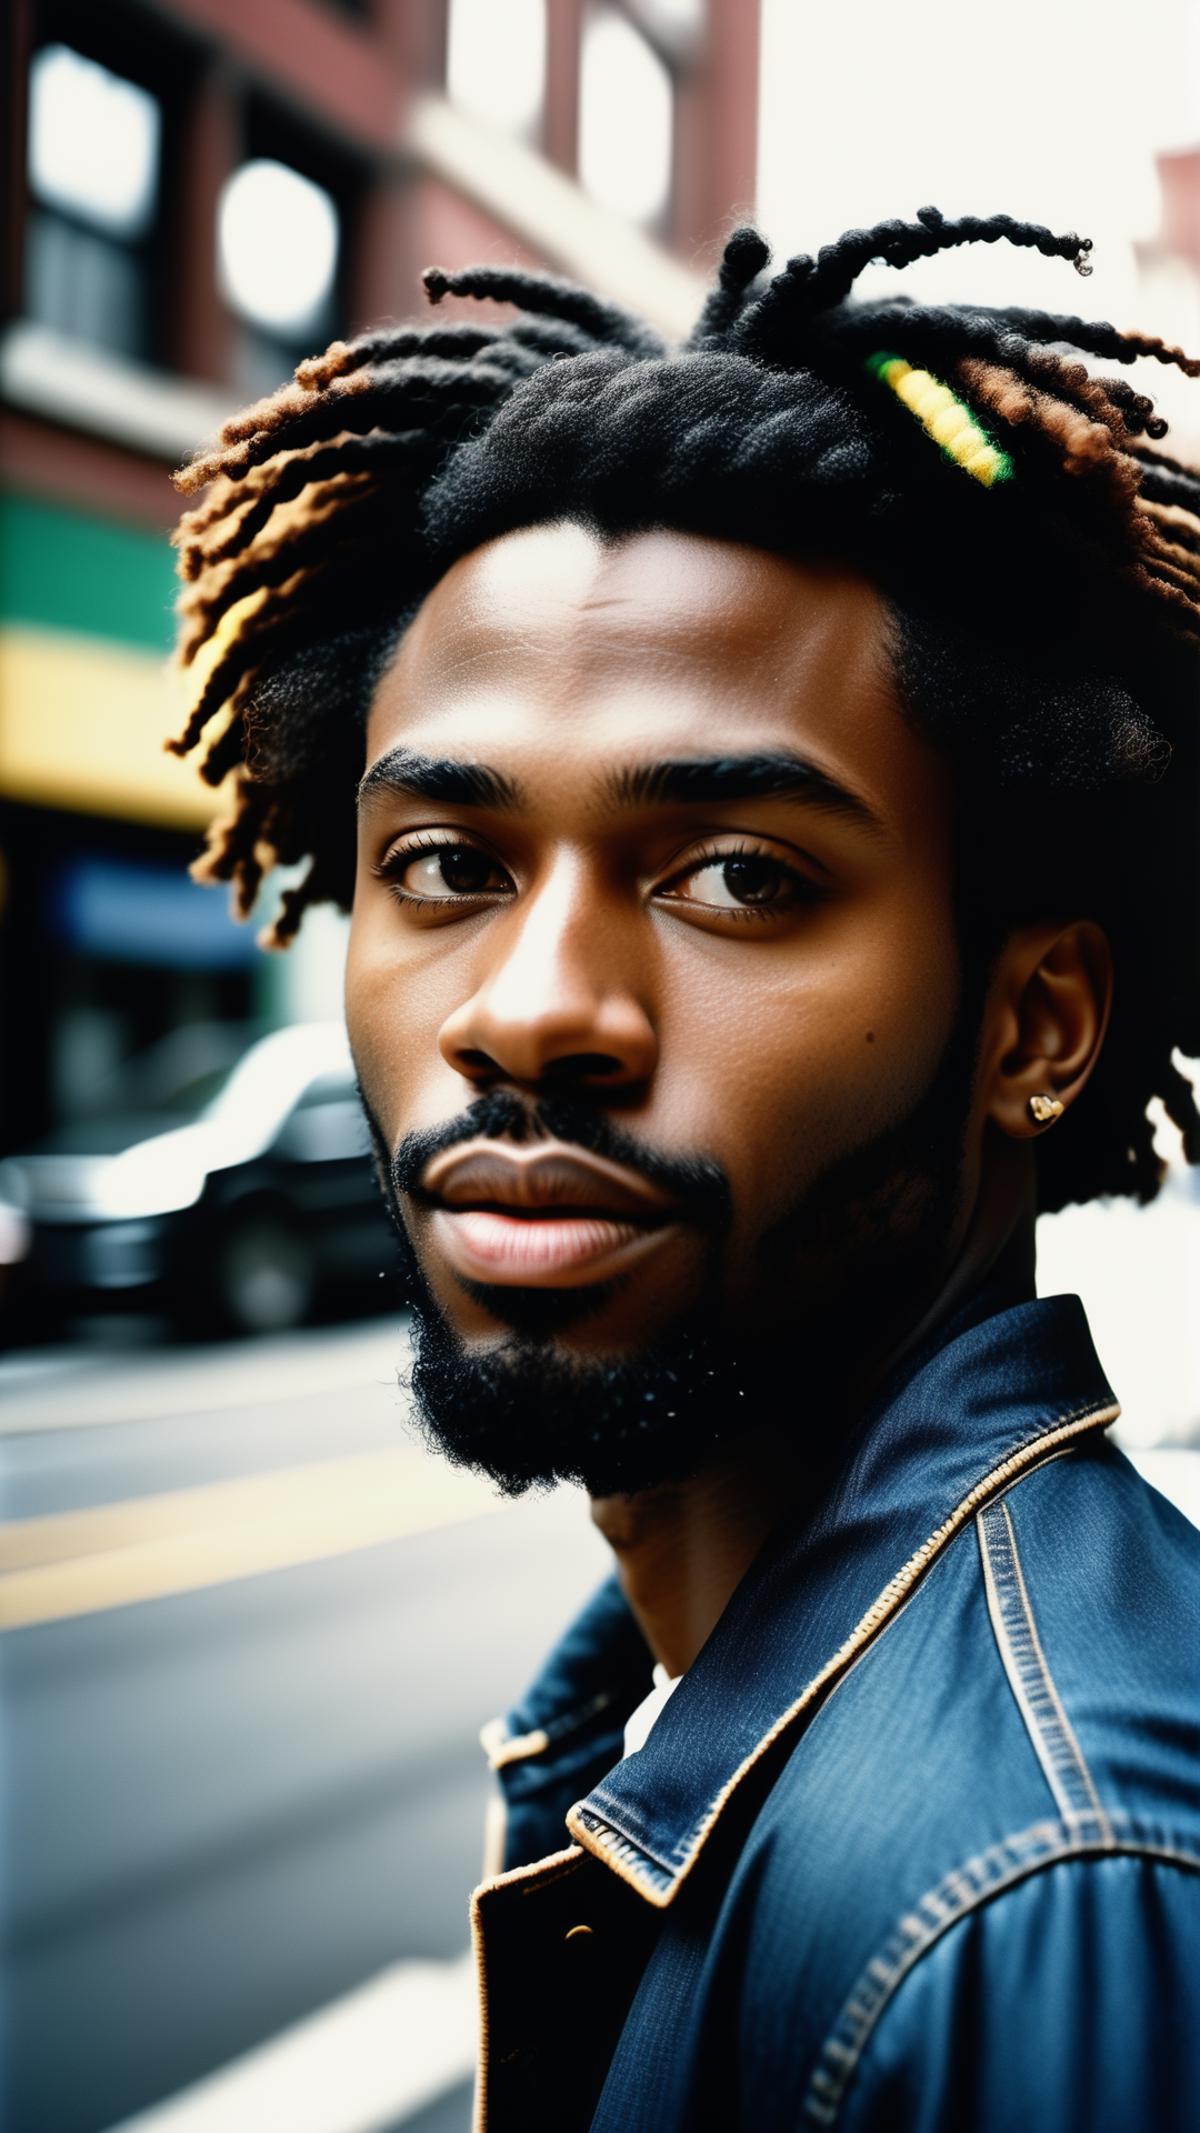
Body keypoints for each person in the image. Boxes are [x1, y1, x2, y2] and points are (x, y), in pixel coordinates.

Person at [170, 209, 1200, 2130]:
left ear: (1035, 1022)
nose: (532, 1010)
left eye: (740, 875)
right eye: (450, 870)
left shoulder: (1049, 1902)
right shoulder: (683, 1690)